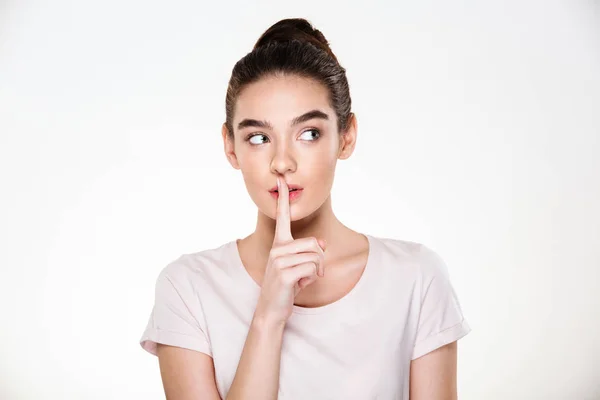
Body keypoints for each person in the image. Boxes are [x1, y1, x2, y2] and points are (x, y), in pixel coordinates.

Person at [140, 17, 471, 400]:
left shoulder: (416, 279)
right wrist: (268, 316)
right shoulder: (187, 288)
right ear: (231, 147)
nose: (282, 161)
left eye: (309, 133)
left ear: (346, 137)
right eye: (259, 137)